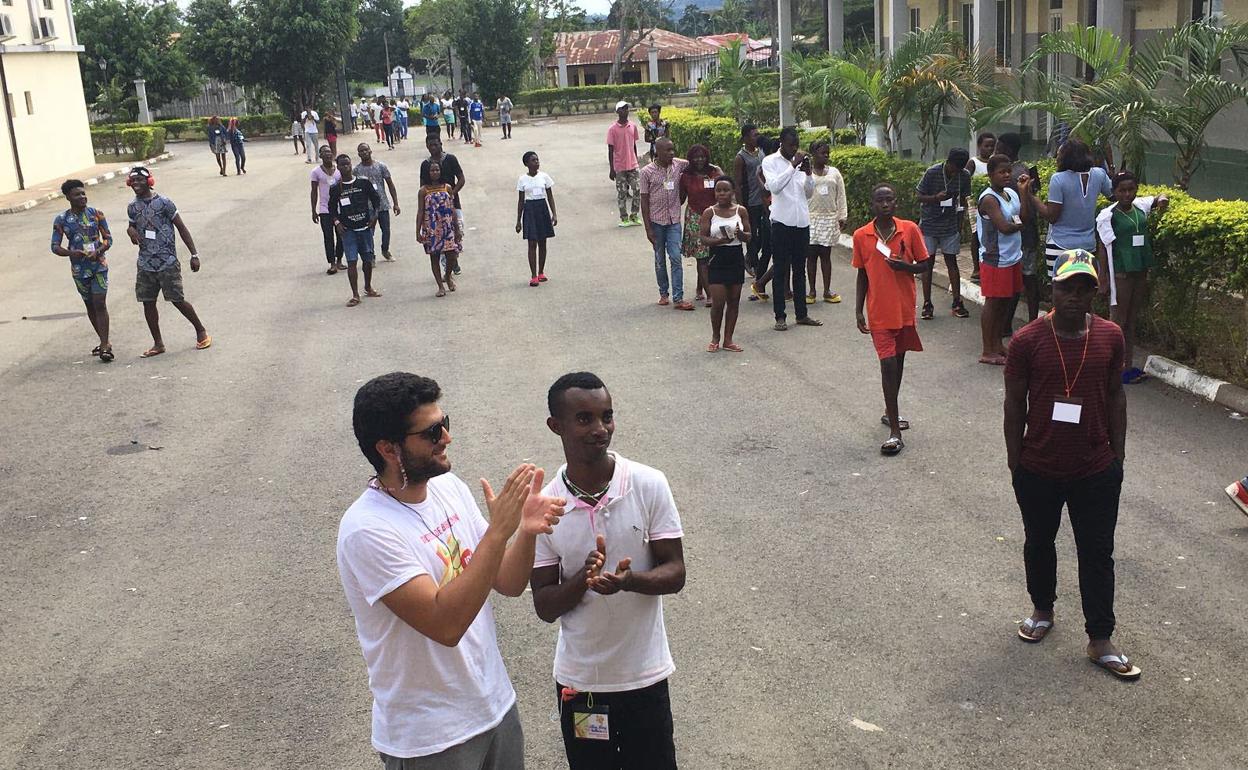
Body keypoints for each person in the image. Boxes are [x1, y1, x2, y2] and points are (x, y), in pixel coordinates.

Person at [338, 372, 565, 769]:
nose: (446, 437)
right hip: (430, 738)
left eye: (445, 423)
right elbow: (446, 623)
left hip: (494, 706)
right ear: (388, 449)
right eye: (431, 432)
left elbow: (508, 583)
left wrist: (526, 532)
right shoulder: (367, 530)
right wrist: (497, 534)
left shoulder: (448, 488)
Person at [530, 372, 685, 770]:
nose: (600, 429)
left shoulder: (649, 484)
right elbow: (545, 605)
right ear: (556, 426)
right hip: (581, 686)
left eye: (607, 416)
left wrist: (630, 581)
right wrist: (582, 579)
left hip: (644, 678)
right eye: (584, 419)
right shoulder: (547, 505)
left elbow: (675, 571)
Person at [1004, 249, 1137, 680]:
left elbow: (1116, 395)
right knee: (1038, 541)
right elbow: (1014, 405)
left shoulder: (1110, 336)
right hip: (1038, 464)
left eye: (1084, 289)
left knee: (1097, 551)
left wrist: (1117, 455)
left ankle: (1100, 638)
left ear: (1093, 295)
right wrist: (1015, 462)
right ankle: (1042, 609)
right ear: (1052, 290)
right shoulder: (1027, 341)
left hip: (1095, 467)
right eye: (1067, 287)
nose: (1075, 297)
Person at [852, 183, 929, 455]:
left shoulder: (909, 229)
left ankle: (889, 410)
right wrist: (858, 309)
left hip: (904, 310)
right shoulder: (862, 236)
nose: (885, 204)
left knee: (898, 362)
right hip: (879, 314)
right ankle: (895, 432)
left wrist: (904, 267)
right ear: (872, 204)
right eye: (879, 201)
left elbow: (924, 264)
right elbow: (862, 273)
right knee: (887, 366)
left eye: (889, 200)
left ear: (896, 203)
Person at [124, 166, 211, 358]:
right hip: (145, 263)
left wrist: (194, 254)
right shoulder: (132, 207)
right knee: (148, 303)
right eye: (133, 181)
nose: (136, 184)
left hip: (167, 261)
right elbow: (131, 225)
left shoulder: (164, 203)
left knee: (177, 300)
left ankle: (201, 330)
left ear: (149, 182)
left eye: (140, 180)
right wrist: (130, 231)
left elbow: (181, 228)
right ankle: (158, 343)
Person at [1095, 171, 1168, 384]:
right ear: (1114, 192)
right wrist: (1103, 278)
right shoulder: (1107, 215)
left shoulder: (1141, 207)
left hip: (1140, 270)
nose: (1127, 194)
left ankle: (1126, 366)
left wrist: (1162, 199)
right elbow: (1103, 247)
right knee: (1117, 321)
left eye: (1131, 189)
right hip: (1121, 272)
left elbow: (1159, 196)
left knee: (1131, 322)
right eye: (1122, 190)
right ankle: (1111, 367)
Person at [762, 127, 823, 331]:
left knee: (800, 270)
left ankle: (802, 314)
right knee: (780, 270)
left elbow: (808, 194)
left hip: (801, 223)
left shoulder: (801, 165)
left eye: (796, 145)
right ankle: (780, 316)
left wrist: (808, 175)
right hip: (781, 222)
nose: (794, 148)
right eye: (790, 145)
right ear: (781, 143)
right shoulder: (770, 162)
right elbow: (774, 187)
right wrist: (792, 166)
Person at [1029, 138, 1113, 278]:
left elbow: (1052, 216)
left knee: (1060, 291)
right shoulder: (1099, 174)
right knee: (1084, 290)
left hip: (1060, 245)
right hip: (1087, 246)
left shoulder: (1058, 179)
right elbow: (1113, 195)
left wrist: (1031, 196)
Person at [51, 179, 114, 361]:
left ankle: (104, 345)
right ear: (68, 197)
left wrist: (100, 250)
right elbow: (55, 246)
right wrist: (72, 252)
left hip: (99, 266)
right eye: (77, 194)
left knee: (100, 302)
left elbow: (108, 239)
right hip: (79, 269)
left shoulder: (97, 214)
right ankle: (105, 341)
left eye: (83, 193)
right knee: (90, 305)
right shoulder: (61, 220)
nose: (82, 197)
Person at [976, 155, 1030, 365]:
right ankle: (987, 350)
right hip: (995, 259)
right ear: (990, 174)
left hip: (1012, 257)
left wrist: (1024, 193)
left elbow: (1024, 217)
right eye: (1001, 172)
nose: (1007, 175)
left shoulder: (1010, 194)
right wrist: (1018, 226)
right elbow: (1005, 227)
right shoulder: (989, 199)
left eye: (1008, 171)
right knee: (993, 303)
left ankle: (997, 343)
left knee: (1005, 302)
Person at [915, 147, 972, 320]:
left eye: (959, 169)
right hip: (930, 224)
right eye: (954, 167)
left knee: (951, 262)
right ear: (948, 162)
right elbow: (918, 196)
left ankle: (957, 301)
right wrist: (935, 198)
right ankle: (927, 303)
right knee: (928, 263)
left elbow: (963, 200)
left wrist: (960, 223)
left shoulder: (964, 176)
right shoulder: (932, 173)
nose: (955, 172)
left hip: (949, 225)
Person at [640, 137, 693, 311]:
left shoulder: (679, 165)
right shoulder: (647, 172)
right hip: (656, 221)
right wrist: (648, 228)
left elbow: (697, 162)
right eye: (667, 150)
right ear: (658, 151)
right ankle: (664, 293)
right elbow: (644, 200)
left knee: (676, 257)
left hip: (674, 221)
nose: (671, 153)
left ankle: (678, 297)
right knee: (659, 259)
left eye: (673, 150)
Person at [698, 177, 750, 353]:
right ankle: (715, 337)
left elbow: (749, 235)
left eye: (725, 190)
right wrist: (719, 241)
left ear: (733, 192)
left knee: (734, 301)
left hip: (735, 257)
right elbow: (703, 237)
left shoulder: (741, 211)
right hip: (717, 258)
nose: (721, 194)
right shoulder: (709, 212)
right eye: (718, 190)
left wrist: (741, 235)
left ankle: (728, 339)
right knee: (718, 302)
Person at [996, 133, 1042, 325]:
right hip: (1024, 233)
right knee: (1021, 278)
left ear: (1008, 150)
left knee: (1024, 279)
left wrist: (1013, 225)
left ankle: (1026, 321)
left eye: (999, 148)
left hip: (1023, 234)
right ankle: (1013, 322)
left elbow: (1020, 209)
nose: (996, 151)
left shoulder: (1013, 176)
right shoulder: (1025, 169)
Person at [329, 154, 383, 307]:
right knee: (351, 262)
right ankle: (355, 294)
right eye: (342, 165)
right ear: (337, 167)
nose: (346, 167)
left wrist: (375, 216)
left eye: (347, 164)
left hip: (365, 228)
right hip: (348, 231)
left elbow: (376, 199)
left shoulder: (363, 183)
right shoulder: (335, 188)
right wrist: (337, 222)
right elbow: (331, 208)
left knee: (367, 260)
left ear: (351, 165)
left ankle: (368, 287)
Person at [678, 144, 722, 307]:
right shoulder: (686, 176)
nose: (699, 160)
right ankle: (710, 293)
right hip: (696, 218)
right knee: (702, 256)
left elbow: (724, 189)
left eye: (702, 156)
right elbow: (681, 198)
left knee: (710, 255)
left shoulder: (714, 173)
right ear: (690, 159)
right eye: (696, 157)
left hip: (713, 216)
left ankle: (699, 286)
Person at [806, 139, 847, 305]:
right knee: (811, 256)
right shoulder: (806, 173)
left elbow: (841, 195)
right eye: (823, 153)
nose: (826, 156)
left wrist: (842, 215)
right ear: (813, 154)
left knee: (825, 255)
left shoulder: (834, 173)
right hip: (810, 218)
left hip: (829, 218)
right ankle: (812, 291)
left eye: (828, 153)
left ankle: (827, 290)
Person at [420, 134, 467, 275]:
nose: (433, 148)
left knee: (457, 231)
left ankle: (453, 259)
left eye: (436, 144)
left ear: (441, 144)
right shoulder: (425, 164)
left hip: (452, 204)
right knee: (438, 238)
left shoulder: (450, 159)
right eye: (430, 145)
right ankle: (447, 265)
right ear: (427, 147)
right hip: (433, 209)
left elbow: (461, 179)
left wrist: (452, 193)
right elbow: (422, 185)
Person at [416, 159, 462, 297]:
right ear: (427, 173)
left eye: (437, 170)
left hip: (447, 227)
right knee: (434, 256)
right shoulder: (423, 191)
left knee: (452, 255)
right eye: (432, 170)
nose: (435, 172)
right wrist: (417, 231)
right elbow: (420, 211)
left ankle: (448, 276)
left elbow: (452, 208)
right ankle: (440, 286)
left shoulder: (447, 187)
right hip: (431, 228)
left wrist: (457, 228)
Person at [733, 124, 769, 286]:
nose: (757, 137)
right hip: (751, 202)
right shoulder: (741, 157)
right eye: (754, 135)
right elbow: (738, 184)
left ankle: (750, 258)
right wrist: (741, 207)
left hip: (764, 201)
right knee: (751, 235)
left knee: (764, 234)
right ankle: (753, 263)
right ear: (746, 137)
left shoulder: (761, 151)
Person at [515, 151, 557, 287]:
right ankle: (533, 275)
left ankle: (541, 272)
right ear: (526, 164)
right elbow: (521, 201)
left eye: (537, 160)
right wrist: (518, 221)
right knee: (532, 243)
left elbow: (550, 196)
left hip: (542, 209)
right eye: (533, 160)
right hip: (530, 210)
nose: (536, 162)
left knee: (542, 242)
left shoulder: (544, 177)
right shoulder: (522, 179)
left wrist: (554, 214)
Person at [355, 142, 401, 262]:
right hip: (366, 207)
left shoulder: (381, 166)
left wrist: (395, 203)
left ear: (370, 151)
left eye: (366, 150)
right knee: (369, 232)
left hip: (382, 204)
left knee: (386, 230)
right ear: (358, 154)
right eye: (361, 151)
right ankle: (371, 255)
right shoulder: (357, 171)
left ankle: (385, 250)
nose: (364, 152)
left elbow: (390, 184)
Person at [311, 144, 345, 274]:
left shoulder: (339, 171)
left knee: (341, 235)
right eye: (324, 152)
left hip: (339, 208)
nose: (327, 154)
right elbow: (314, 191)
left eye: (329, 152)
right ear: (320, 155)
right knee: (328, 237)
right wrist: (314, 210)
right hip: (325, 209)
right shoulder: (316, 172)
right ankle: (332, 263)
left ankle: (339, 260)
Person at [606, 101, 641, 227]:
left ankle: (634, 215)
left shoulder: (632, 126)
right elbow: (610, 150)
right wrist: (612, 169)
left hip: (633, 165)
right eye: (622, 109)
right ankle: (624, 217)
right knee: (622, 193)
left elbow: (634, 145)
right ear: (617, 112)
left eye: (627, 109)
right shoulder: (612, 129)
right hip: (620, 166)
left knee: (637, 189)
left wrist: (636, 160)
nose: (625, 111)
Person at [966, 134, 995, 284]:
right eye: (986, 146)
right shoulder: (973, 162)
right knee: (976, 233)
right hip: (975, 203)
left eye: (992, 146)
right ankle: (976, 267)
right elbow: (965, 179)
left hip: (992, 203)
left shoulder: (994, 163)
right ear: (979, 146)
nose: (989, 149)